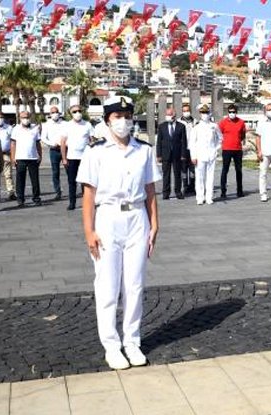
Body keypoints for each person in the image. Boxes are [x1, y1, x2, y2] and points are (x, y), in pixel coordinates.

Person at [77, 96, 161, 370]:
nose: (123, 121)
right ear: (107, 120)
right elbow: (88, 195)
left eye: (127, 115)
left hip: (137, 217)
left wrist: (154, 223)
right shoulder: (96, 151)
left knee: (134, 285)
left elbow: (150, 190)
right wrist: (89, 231)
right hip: (108, 217)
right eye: (117, 116)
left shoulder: (144, 150)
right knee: (108, 286)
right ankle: (111, 346)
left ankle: (132, 341)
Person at [61, 105, 95, 210]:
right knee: (72, 181)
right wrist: (64, 158)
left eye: (79, 111)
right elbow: (63, 142)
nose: (77, 113)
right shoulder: (67, 125)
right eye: (75, 111)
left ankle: (87, 202)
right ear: (71, 113)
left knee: (86, 181)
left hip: (85, 158)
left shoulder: (87, 125)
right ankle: (72, 203)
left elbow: (92, 140)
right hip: (71, 157)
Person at [188, 104, 222, 205]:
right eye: (203, 113)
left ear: (209, 113)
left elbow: (220, 138)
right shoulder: (196, 127)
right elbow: (192, 143)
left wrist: (216, 149)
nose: (205, 114)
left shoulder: (214, 126)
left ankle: (209, 197)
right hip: (200, 155)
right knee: (199, 177)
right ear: (199, 114)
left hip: (211, 154)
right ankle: (200, 197)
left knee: (210, 177)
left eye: (206, 112)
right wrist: (193, 156)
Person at [11, 110, 43, 207]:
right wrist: (13, 157)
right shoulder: (16, 129)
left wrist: (40, 156)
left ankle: (36, 198)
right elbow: (13, 144)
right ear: (20, 118)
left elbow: (38, 143)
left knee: (35, 180)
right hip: (20, 158)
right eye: (23, 117)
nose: (25, 119)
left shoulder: (35, 128)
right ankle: (20, 199)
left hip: (33, 158)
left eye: (27, 117)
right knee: (20, 180)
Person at [156, 107, 188, 200]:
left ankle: (178, 192)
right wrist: (158, 155)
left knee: (177, 174)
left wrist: (183, 154)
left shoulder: (181, 126)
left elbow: (183, 142)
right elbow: (159, 142)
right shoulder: (162, 126)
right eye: (167, 114)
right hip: (165, 154)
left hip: (177, 154)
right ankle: (166, 193)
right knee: (166, 174)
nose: (167, 116)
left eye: (169, 114)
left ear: (174, 115)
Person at [218, 103, 247, 199]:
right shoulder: (223, 122)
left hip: (237, 149)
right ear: (228, 112)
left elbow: (243, 134)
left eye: (233, 112)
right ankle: (223, 191)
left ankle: (239, 190)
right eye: (230, 112)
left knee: (238, 170)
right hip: (226, 149)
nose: (232, 114)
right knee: (224, 170)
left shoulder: (241, 122)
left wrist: (239, 141)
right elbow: (219, 134)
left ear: (236, 112)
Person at [41, 106, 67, 200]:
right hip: (54, 150)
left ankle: (73, 189)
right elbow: (43, 138)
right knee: (55, 172)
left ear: (59, 113)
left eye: (56, 112)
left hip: (65, 149)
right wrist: (52, 144)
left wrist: (65, 144)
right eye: (52, 112)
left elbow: (69, 135)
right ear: (50, 114)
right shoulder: (46, 125)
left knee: (69, 170)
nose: (54, 114)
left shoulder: (65, 123)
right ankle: (58, 191)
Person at [0, 111, 16, 201]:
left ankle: (11, 192)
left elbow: (12, 141)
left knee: (8, 174)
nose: (0, 119)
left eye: (2, 117)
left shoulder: (9, 128)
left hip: (6, 153)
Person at [178, 103, 197, 195]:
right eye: (184, 111)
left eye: (187, 110)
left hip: (193, 148)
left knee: (193, 168)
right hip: (183, 149)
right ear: (182, 112)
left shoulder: (195, 122)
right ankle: (185, 186)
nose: (186, 112)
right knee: (183, 169)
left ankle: (192, 186)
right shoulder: (178, 122)